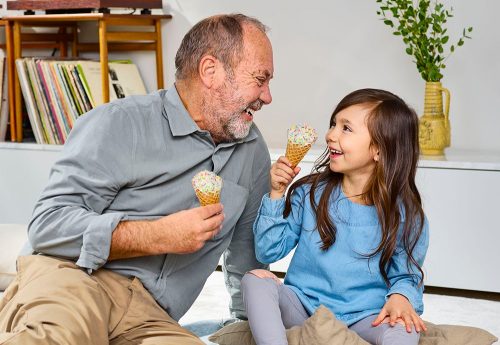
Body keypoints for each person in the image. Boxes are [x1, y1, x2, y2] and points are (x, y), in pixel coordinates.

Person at [0, 13, 274, 345]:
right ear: (210, 71)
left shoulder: (252, 150)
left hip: (150, 317)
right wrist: (156, 235)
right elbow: (48, 225)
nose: (267, 96)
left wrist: (251, 326)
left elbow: (246, 255)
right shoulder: (119, 124)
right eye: (260, 79)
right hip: (73, 278)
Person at [242, 88, 430, 345]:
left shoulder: (405, 215)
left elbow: (406, 275)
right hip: (305, 310)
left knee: (406, 328)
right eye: (333, 124)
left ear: (378, 149)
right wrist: (276, 193)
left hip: (366, 317)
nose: (330, 135)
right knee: (254, 281)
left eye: (346, 128)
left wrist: (401, 296)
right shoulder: (309, 193)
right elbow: (267, 251)